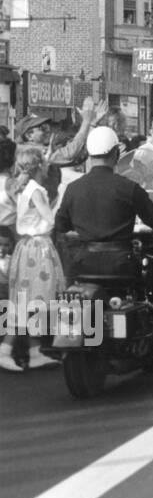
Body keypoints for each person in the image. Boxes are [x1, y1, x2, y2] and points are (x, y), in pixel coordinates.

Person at [53, 127, 153, 342]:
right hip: (121, 264)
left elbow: (61, 223)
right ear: (116, 154)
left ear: (89, 154)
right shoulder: (128, 187)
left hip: (83, 265)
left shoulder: (74, 189)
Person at [0, 145, 65, 371]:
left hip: (25, 248)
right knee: (32, 303)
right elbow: (50, 219)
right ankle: (5, 350)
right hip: (38, 249)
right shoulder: (36, 190)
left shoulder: (23, 188)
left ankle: (34, 351)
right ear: (41, 166)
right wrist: (63, 197)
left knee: (28, 301)